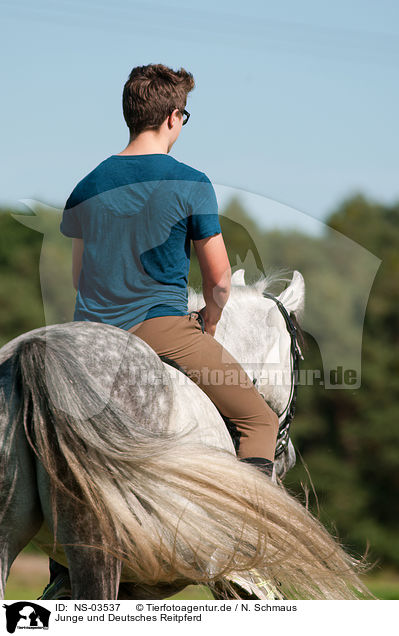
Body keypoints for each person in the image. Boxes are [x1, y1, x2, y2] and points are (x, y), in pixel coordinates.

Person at [40, 63, 279, 599]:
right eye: (184, 116)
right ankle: (246, 557)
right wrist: (209, 326)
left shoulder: (87, 184)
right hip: (159, 330)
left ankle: (63, 569)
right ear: (173, 117)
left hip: (85, 336)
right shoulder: (191, 183)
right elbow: (218, 281)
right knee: (259, 418)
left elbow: (79, 276)